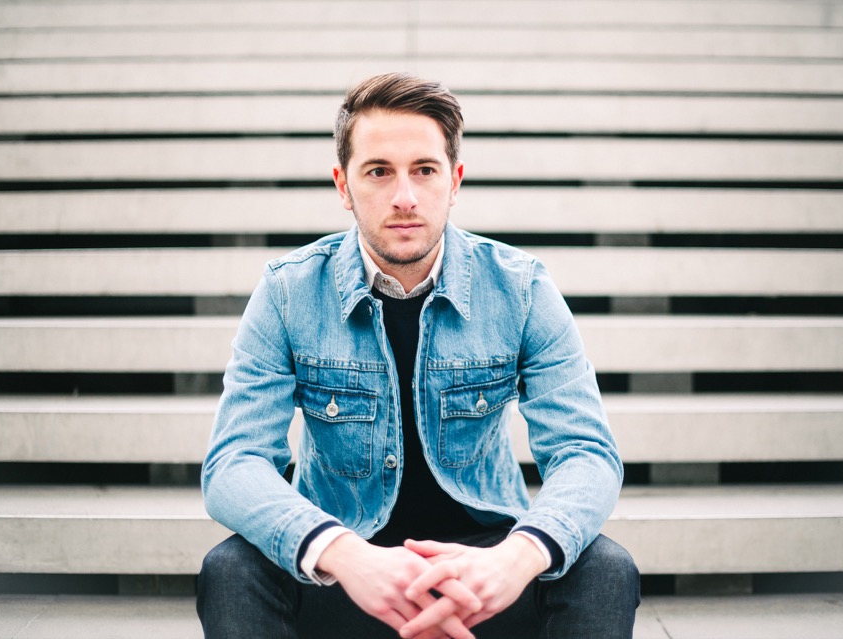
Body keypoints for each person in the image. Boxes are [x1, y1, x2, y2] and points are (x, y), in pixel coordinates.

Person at [196, 72, 640, 639]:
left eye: (424, 170)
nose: (404, 197)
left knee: (604, 570)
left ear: (454, 180)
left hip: (483, 573)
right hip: (344, 568)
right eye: (378, 172)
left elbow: (586, 451)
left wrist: (519, 556)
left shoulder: (521, 288)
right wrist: (342, 553)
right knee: (230, 570)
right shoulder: (288, 292)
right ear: (343, 184)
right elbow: (234, 462)